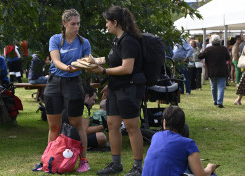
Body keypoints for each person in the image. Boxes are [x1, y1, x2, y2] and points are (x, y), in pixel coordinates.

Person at [90, 6, 145, 176]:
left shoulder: (129, 40)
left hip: (129, 88)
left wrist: (104, 72)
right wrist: (109, 83)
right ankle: (116, 164)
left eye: (107, 22)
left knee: (131, 127)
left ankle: (137, 167)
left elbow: (127, 68)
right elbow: (116, 65)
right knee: (112, 125)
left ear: (115, 22)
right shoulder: (117, 40)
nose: (106, 25)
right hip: (115, 88)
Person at [43, 9, 91, 173]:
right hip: (55, 82)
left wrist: (88, 64)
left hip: (74, 83)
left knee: (77, 125)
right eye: (73, 24)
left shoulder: (84, 42)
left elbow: (87, 62)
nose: (76, 27)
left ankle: (83, 161)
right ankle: (49, 159)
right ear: (64, 24)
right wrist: (67, 67)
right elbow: (56, 61)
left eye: (78, 23)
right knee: (54, 126)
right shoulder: (55, 39)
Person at [142, 106, 218, 176]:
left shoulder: (156, 136)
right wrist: (210, 167)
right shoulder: (188, 144)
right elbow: (201, 175)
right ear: (183, 125)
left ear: (164, 123)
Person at [198, 34, 230, 108]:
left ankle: (215, 101)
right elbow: (228, 58)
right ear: (219, 41)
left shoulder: (208, 49)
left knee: (213, 87)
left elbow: (199, 56)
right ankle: (220, 102)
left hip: (212, 71)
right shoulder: (224, 49)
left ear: (211, 41)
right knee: (221, 87)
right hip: (222, 70)